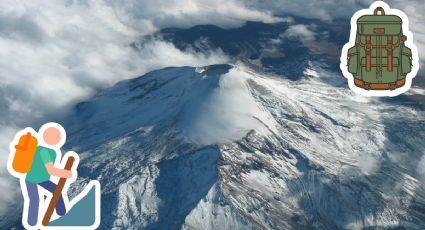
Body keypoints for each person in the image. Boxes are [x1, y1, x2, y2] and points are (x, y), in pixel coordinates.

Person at [25, 124, 73, 226]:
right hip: (35, 178)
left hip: (35, 178)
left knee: (35, 199)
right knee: (38, 199)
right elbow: (51, 170)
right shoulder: (45, 152)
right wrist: (66, 173)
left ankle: (32, 222)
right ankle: (61, 213)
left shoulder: (40, 149)